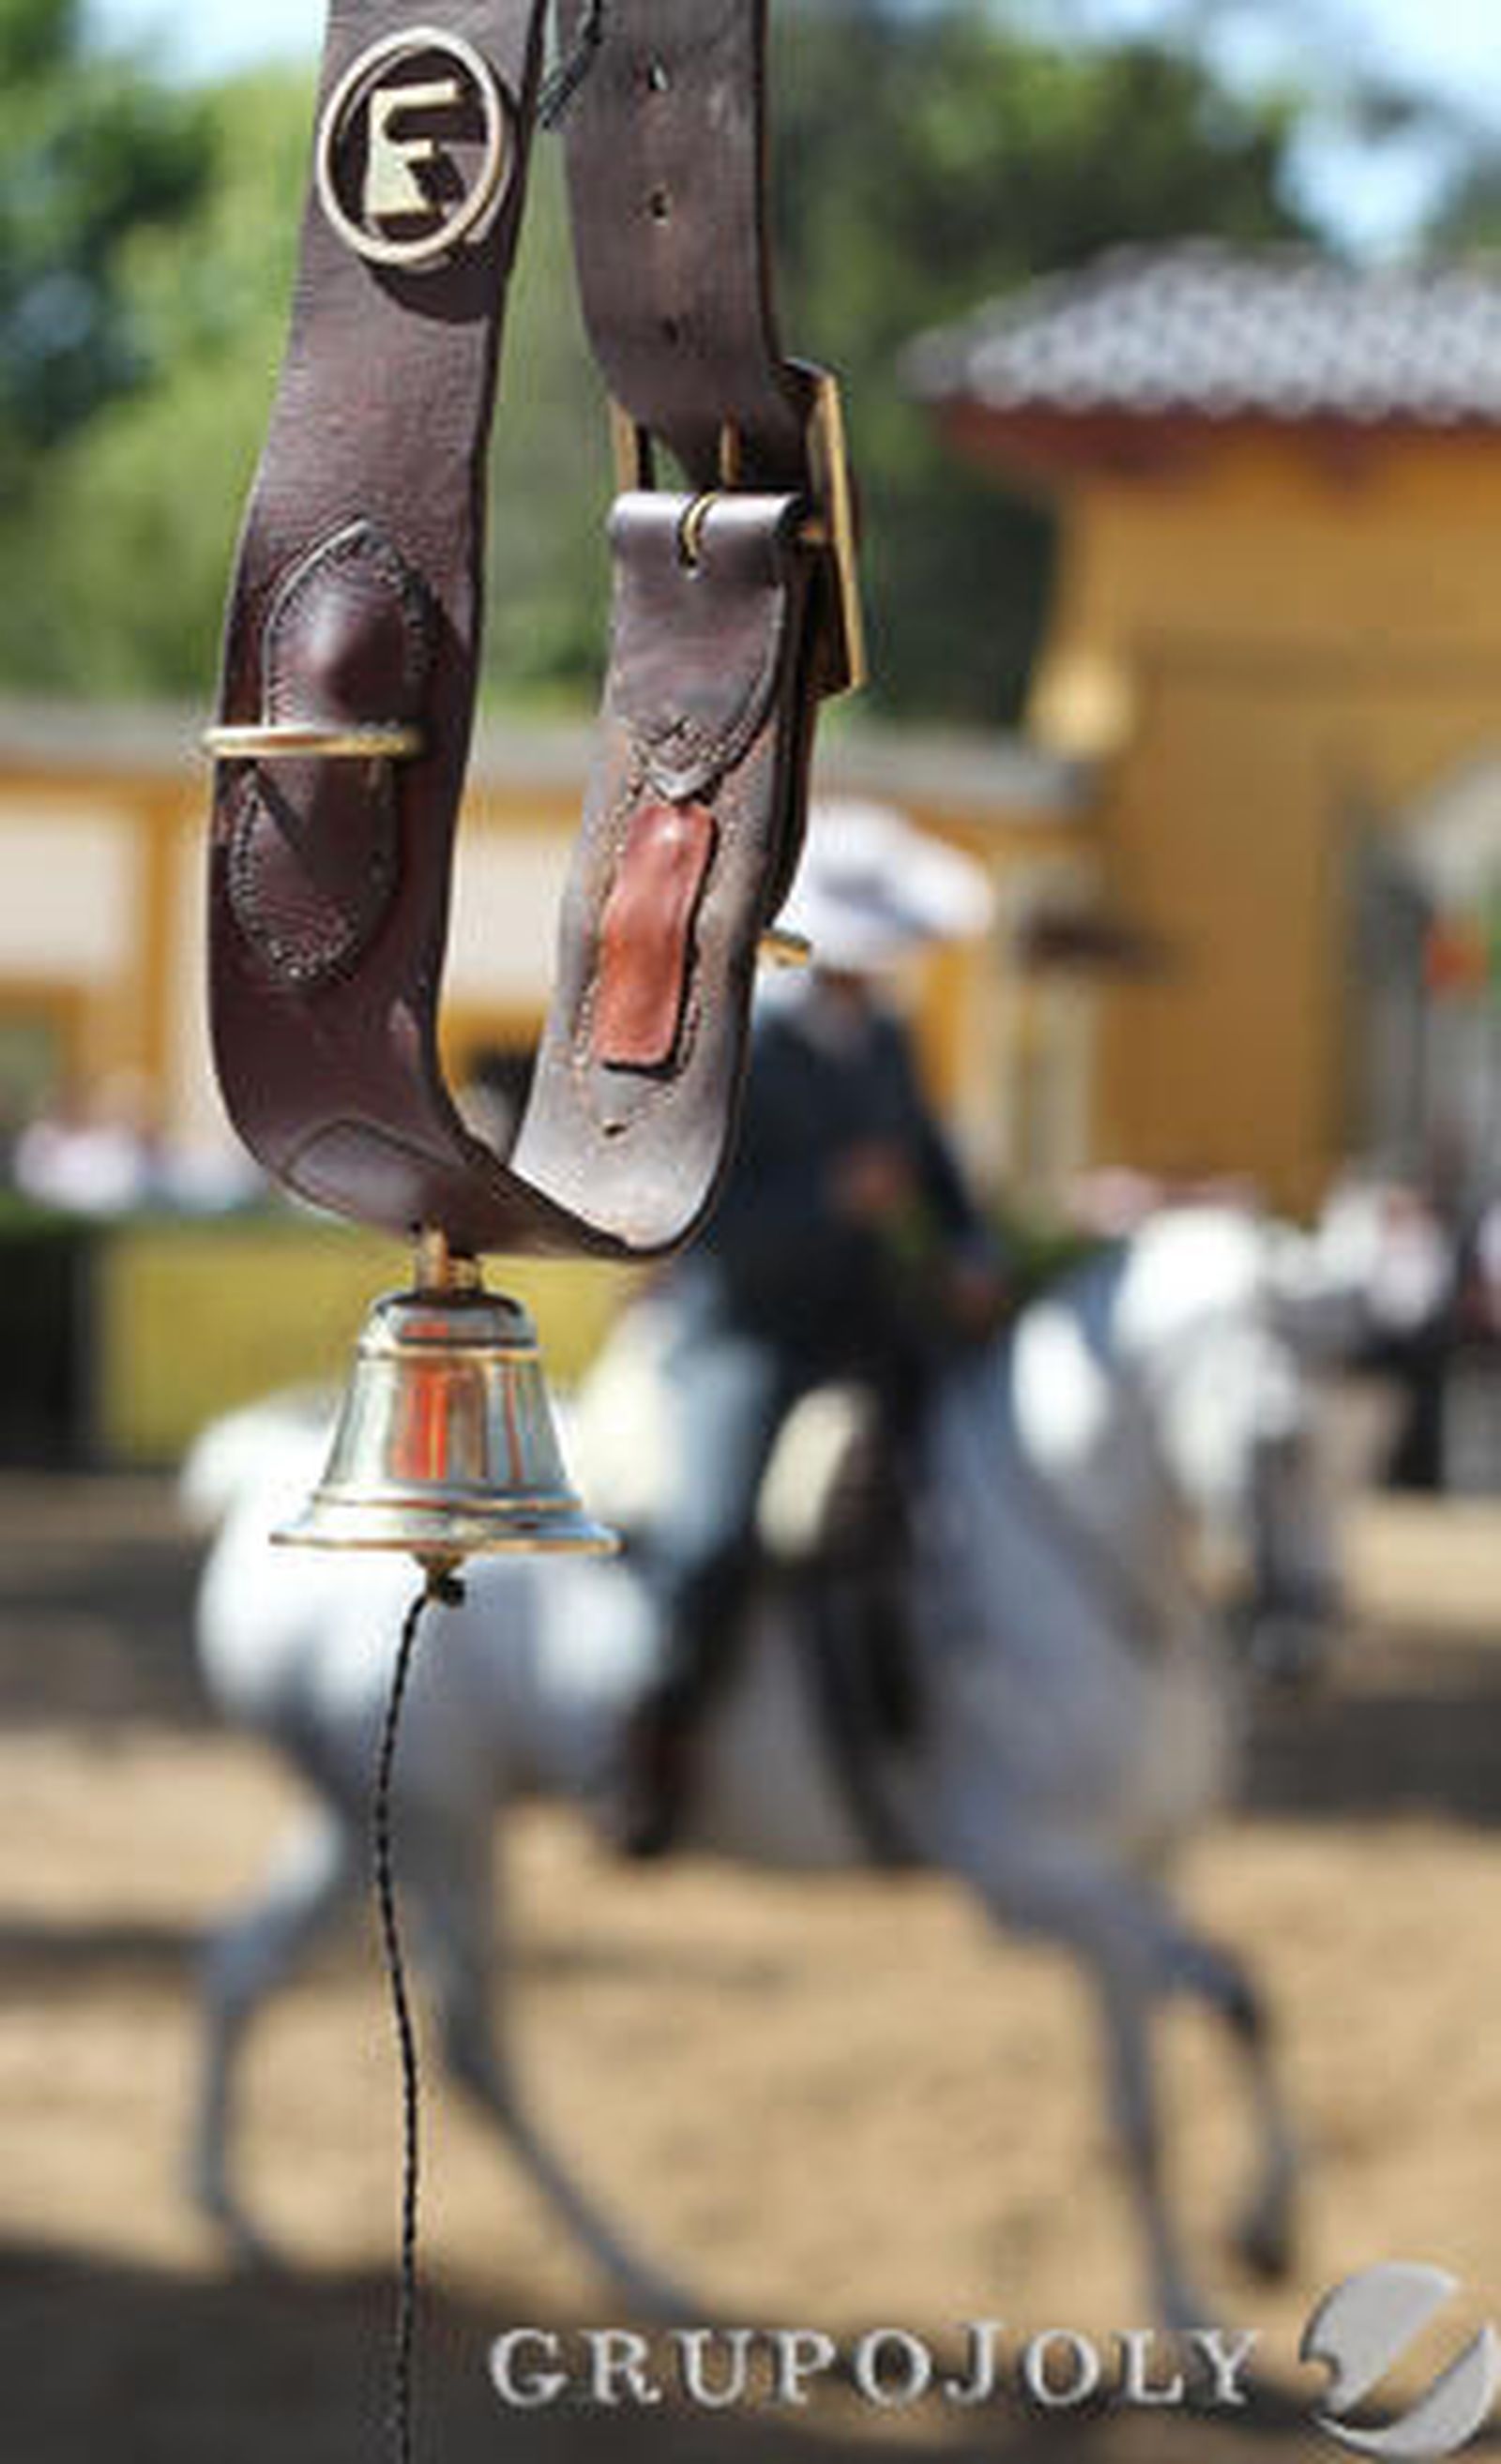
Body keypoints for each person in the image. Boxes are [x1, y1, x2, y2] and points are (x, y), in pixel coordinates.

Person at [616, 799, 1008, 1857]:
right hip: (745, 1331)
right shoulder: (746, 1044)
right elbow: (709, 1221)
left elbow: (936, 1174)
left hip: (864, 1326)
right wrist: (832, 1200)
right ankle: (658, 1744)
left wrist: (973, 1256)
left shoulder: (888, 1040)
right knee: (711, 1533)